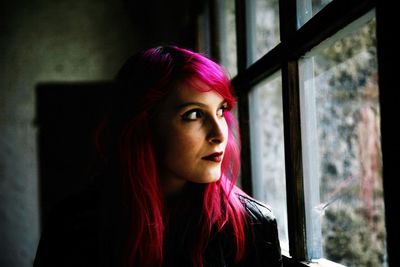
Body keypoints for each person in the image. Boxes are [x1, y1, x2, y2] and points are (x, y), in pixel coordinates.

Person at [33, 45, 282, 267]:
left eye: (221, 111)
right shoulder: (74, 225)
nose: (219, 134)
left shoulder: (252, 225)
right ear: (144, 126)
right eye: (194, 114)